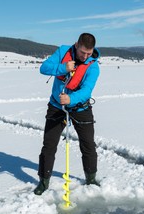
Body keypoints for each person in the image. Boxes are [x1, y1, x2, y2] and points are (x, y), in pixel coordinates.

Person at [34, 33, 100, 195]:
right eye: (83, 52)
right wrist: (63, 68)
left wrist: (71, 98)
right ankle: (43, 181)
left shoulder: (93, 66)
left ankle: (91, 179)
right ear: (76, 45)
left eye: (89, 54)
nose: (85, 57)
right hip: (57, 106)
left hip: (80, 108)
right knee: (49, 145)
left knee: (88, 145)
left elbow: (86, 91)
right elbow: (44, 68)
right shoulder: (63, 52)